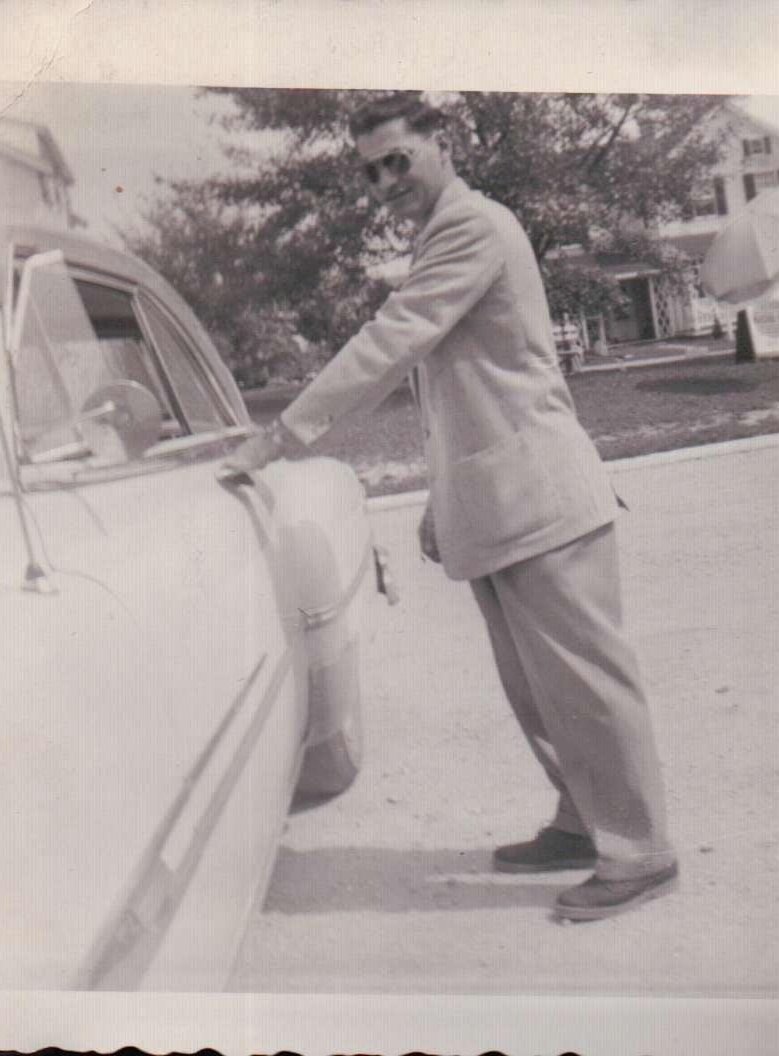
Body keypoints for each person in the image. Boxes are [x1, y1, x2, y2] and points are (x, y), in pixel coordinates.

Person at [223, 92, 677, 921]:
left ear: (445, 145)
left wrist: (280, 436)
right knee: (540, 689)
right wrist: (444, 498)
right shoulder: (444, 236)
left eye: (398, 161)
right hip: (504, 499)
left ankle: (640, 851)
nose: (385, 183)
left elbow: (392, 341)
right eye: (371, 172)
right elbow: (455, 391)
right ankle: (585, 822)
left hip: (543, 498)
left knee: (584, 683)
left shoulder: (471, 227)